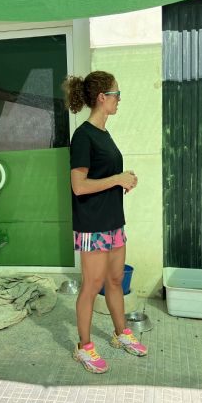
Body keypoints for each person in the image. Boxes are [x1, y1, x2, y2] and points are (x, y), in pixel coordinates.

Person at [62, 71, 148, 374]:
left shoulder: (104, 134)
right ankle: (84, 347)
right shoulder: (83, 135)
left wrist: (123, 181)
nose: (119, 99)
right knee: (92, 285)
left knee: (114, 281)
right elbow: (79, 186)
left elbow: (104, 176)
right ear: (103, 98)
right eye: (116, 94)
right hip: (92, 224)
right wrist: (117, 179)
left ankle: (120, 332)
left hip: (113, 221)